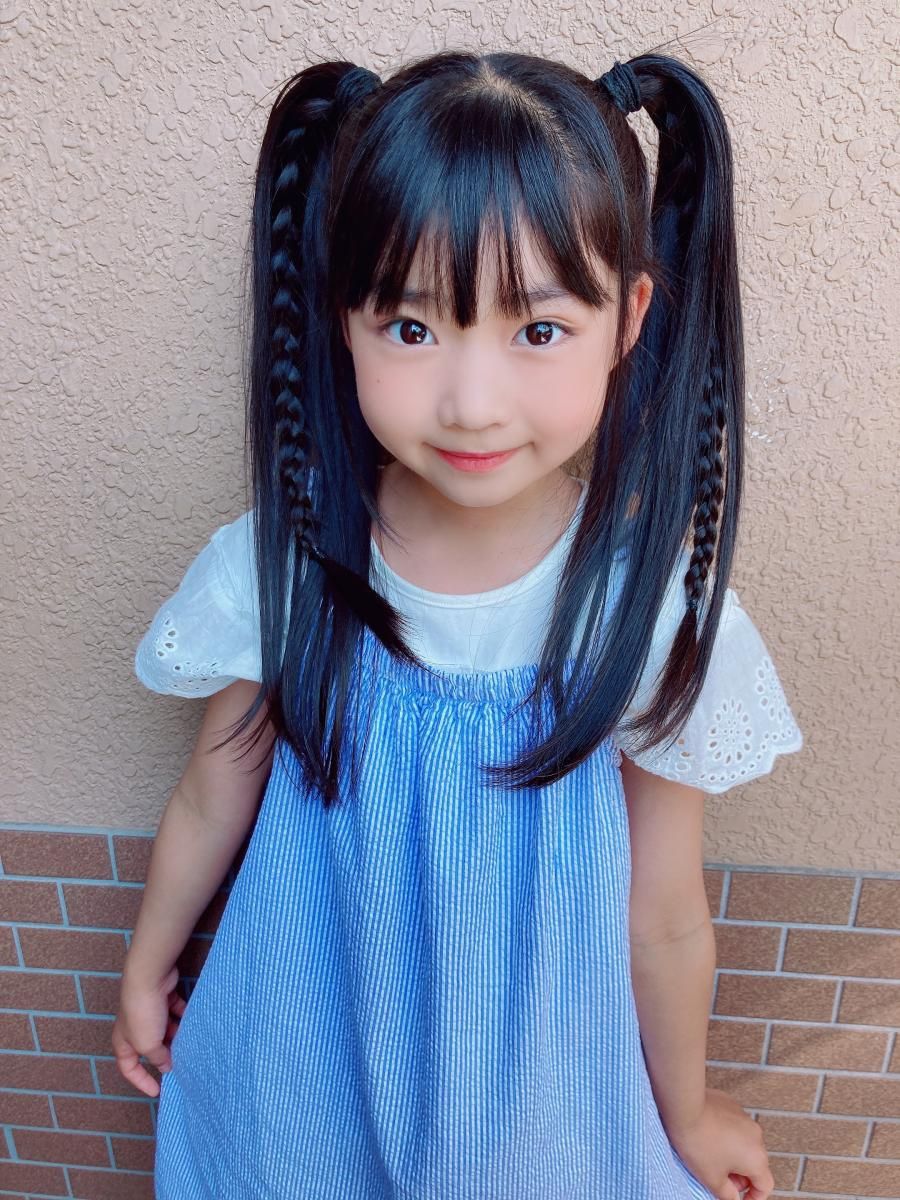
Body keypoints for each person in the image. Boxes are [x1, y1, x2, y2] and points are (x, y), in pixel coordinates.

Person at [114, 48, 804, 1200]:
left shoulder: (644, 614)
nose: (472, 404)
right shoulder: (287, 563)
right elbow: (211, 790)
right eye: (411, 326)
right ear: (341, 315)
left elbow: (665, 913)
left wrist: (687, 1107)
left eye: (538, 330)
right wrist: (147, 966)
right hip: (303, 1058)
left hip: (529, 1098)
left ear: (628, 318)